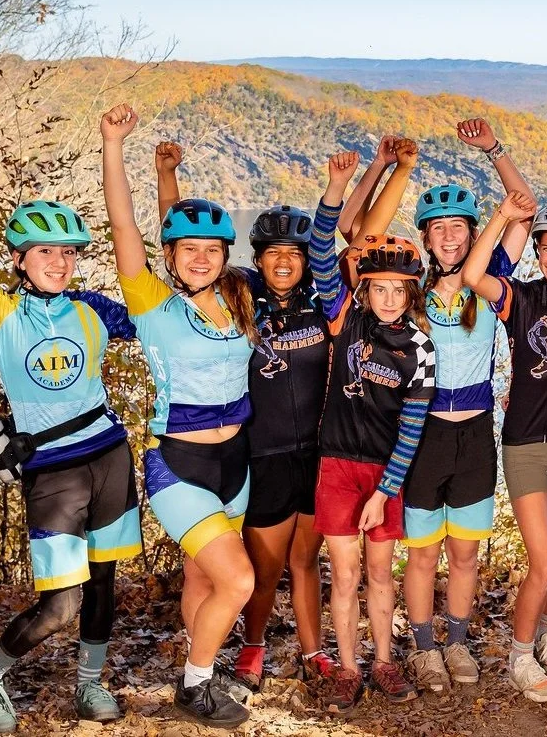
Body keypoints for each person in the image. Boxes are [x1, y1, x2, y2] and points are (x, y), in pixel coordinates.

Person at [155, 138, 411, 688]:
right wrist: (167, 176)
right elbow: (181, 248)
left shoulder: (326, 305)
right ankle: (250, 645)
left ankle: (314, 650)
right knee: (264, 569)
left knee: (306, 562)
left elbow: (362, 237)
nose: (285, 262)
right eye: (273, 253)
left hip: (318, 456)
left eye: (293, 253)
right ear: (257, 258)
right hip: (262, 455)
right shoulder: (238, 299)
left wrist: (387, 168)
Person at [0, 184, 139, 733]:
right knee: (60, 605)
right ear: (19, 259)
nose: (60, 262)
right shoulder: (1, 313)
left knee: (104, 583)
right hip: (53, 472)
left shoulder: (93, 309)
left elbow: (160, 319)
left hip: (109, 456)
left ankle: (89, 683)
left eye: (68, 252)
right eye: (44, 252)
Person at [100, 104, 258, 728]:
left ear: (224, 255)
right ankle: (196, 686)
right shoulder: (153, 303)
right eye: (186, 249)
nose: (199, 258)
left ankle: (202, 665)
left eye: (210, 249)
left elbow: (177, 218)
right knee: (238, 581)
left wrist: (172, 175)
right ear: (170, 255)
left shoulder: (239, 299)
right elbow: (123, 227)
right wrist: (114, 144)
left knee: (203, 581)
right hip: (180, 463)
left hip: (235, 462)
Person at [400, 118, 533, 693]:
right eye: (440, 230)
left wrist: (493, 152)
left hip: (476, 433)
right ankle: (424, 647)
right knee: (423, 557)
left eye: (460, 228)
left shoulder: (487, 281)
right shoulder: (406, 289)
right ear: (426, 238)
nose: (450, 238)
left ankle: (457, 643)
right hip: (424, 436)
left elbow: (523, 210)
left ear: (472, 234)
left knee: (466, 556)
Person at [310, 145, 436, 712]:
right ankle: (348, 666)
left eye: (399, 291)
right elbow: (318, 253)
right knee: (343, 574)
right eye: (378, 288)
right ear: (365, 289)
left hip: (385, 474)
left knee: (381, 575)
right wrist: (337, 187)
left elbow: (411, 430)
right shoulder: (346, 319)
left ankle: (384, 660)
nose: (388, 299)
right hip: (337, 466)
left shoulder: (421, 349)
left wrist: (385, 491)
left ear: (412, 295)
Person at [463, 192, 547, 703]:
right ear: (537, 250)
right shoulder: (520, 297)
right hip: (523, 444)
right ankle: (520, 653)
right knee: (542, 559)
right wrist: (502, 217)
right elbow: (475, 276)